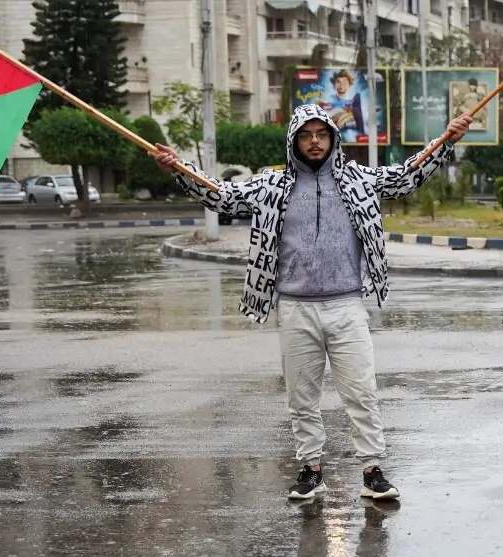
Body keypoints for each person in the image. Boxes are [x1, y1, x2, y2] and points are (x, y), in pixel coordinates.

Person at [152, 105, 473, 502]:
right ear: (294, 141)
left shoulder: (358, 179)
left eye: (322, 134)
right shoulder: (272, 185)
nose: (315, 141)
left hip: (346, 305)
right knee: (301, 397)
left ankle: (372, 471)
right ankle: (310, 470)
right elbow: (224, 197)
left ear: (333, 138)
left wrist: (446, 141)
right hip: (295, 307)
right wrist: (179, 169)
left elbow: (407, 175)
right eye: (306, 135)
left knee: (361, 392)